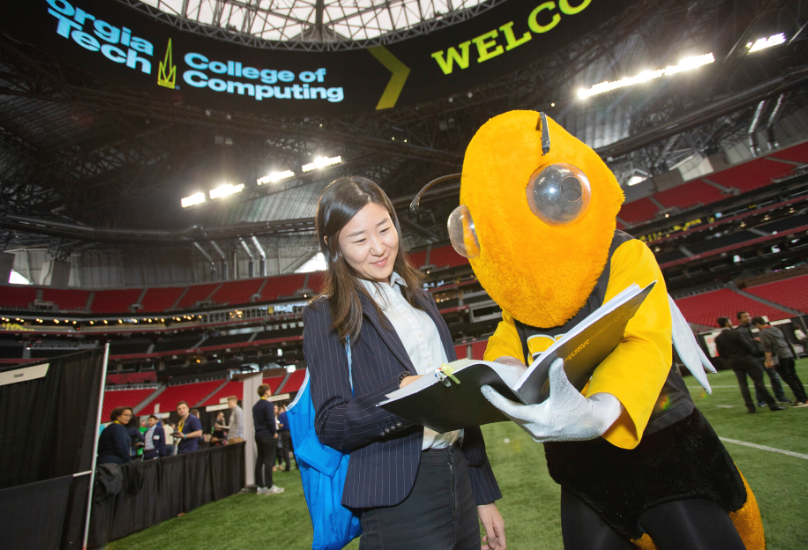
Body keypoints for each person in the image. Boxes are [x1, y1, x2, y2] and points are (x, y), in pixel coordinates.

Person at [304, 177, 505, 550]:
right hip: (397, 495)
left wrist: (483, 494)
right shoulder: (325, 312)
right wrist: (402, 394)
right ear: (333, 246)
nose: (379, 248)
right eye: (360, 240)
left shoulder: (420, 298)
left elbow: (459, 410)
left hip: (456, 474)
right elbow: (331, 424)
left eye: (385, 229)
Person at [715, 317, 785, 413]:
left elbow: (721, 353)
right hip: (747, 360)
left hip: (734, 362)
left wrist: (731, 358)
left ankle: (750, 408)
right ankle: (772, 404)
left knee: (743, 385)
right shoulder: (736, 333)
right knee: (759, 382)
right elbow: (747, 347)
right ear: (727, 323)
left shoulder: (718, 338)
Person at [752, 317, 808, 406]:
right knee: (794, 377)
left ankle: (801, 399)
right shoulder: (775, 328)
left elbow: (768, 349)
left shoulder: (763, 332)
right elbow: (776, 340)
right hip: (788, 353)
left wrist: (768, 362)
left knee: (788, 378)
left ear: (757, 324)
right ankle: (804, 398)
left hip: (780, 357)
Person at [736, 311, 790, 404]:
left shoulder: (757, 326)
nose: (748, 318)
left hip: (766, 355)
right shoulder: (738, 331)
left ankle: (780, 396)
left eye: (748, 315)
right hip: (753, 358)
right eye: (744, 317)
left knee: (774, 377)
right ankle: (761, 400)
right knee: (758, 380)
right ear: (739, 319)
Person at [253, 383, 283, 495]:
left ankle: (260, 486)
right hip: (268, 435)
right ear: (266, 391)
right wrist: (274, 432)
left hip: (258, 435)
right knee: (269, 460)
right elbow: (271, 420)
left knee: (260, 460)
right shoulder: (268, 405)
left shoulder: (255, 406)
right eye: (269, 390)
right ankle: (269, 486)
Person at [277, 403, 296, 471]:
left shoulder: (282, 414)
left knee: (285, 449)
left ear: (284, 405)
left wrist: (277, 424)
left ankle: (288, 466)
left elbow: (281, 425)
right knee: (294, 448)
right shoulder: (293, 413)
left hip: (285, 433)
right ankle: (297, 464)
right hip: (292, 432)